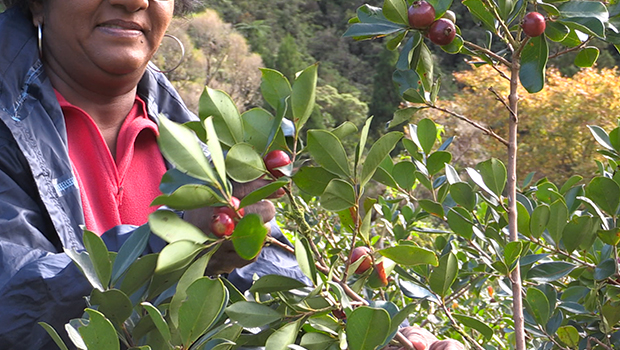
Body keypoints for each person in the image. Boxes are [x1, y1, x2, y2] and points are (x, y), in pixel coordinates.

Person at [0, 1, 463, 349]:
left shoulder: (200, 148)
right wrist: (174, 249)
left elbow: (264, 291)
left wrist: (366, 329)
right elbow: (12, 302)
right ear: (38, 3)